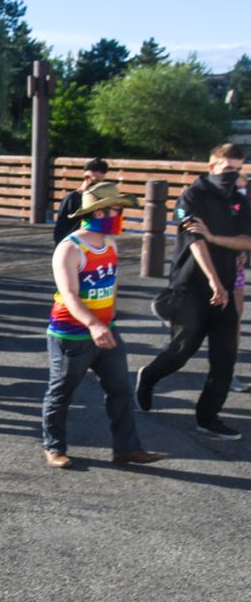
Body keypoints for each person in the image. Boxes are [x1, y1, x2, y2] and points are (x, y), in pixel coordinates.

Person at [41, 182, 167, 469]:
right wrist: (93, 325)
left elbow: (112, 284)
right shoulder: (69, 248)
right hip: (71, 334)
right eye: (117, 209)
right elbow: (70, 295)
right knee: (61, 391)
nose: (121, 214)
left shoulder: (110, 243)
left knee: (120, 389)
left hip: (106, 328)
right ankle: (54, 447)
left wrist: (107, 321)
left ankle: (127, 448)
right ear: (98, 212)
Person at [136, 143, 251, 441]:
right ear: (211, 167)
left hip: (226, 286)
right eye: (227, 169)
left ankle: (208, 417)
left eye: (238, 169)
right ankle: (149, 376)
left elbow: (246, 240)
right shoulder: (192, 195)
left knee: (225, 358)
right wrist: (214, 280)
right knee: (181, 353)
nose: (233, 175)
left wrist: (218, 239)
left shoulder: (241, 197)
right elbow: (196, 241)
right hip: (191, 289)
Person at [54, 158, 109, 242]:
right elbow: (60, 229)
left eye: (100, 182)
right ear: (85, 176)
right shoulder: (72, 198)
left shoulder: (101, 200)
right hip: (73, 243)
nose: (97, 186)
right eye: (95, 181)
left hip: (93, 244)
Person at [231, 173, 249, 393]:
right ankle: (154, 372)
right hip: (209, 269)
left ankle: (228, 372)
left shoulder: (243, 201)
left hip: (236, 267)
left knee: (234, 321)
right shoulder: (204, 197)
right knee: (190, 334)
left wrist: (242, 249)